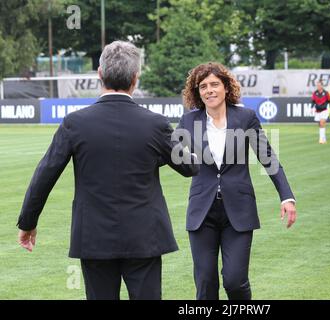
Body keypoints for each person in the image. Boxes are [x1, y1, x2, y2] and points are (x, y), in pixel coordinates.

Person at [16, 41, 199, 300]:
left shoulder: (75, 123)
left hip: (94, 237)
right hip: (144, 237)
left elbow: (45, 174)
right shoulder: (155, 124)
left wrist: (28, 222)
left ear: (99, 74)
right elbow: (189, 166)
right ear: (135, 79)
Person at [177, 62, 297, 300]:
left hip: (239, 211)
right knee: (205, 283)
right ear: (197, 92)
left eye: (214, 84)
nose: (209, 90)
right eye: (203, 86)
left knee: (234, 281)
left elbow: (268, 158)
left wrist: (287, 196)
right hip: (202, 212)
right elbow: (171, 155)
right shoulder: (189, 121)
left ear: (226, 88)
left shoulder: (245, 118)